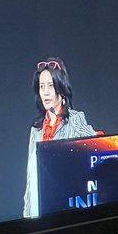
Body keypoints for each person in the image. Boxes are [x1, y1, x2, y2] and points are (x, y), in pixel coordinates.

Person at [23, 57, 97, 218]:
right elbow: (30, 179)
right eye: (42, 87)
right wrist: (27, 218)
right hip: (40, 211)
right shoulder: (36, 129)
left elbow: (96, 142)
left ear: (61, 88)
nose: (46, 92)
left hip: (66, 210)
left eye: (50, 85)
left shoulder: (75, 119)